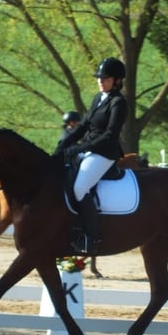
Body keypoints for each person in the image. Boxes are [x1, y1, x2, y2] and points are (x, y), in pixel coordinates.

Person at [58, 57, 128, 255]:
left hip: (105, 153)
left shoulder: (118, 103)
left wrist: (80, 148)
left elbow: (110, 135)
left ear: (117, 80)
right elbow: (85, 125)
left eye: (105, 78)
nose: (100, 81)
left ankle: (91, 237)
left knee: (80, 187)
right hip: (89, 148)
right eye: (99, 77)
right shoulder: (99, 98)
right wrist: (66, 143)